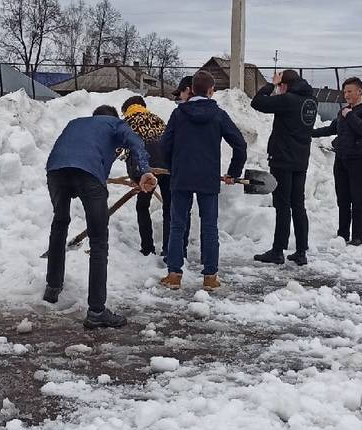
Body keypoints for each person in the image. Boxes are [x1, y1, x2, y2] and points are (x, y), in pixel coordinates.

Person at [45, 106, 157, 328]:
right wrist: (144, 170)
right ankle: (97, 311)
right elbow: (136, 143)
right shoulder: (115, 124)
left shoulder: (75, 122)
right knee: (98, 240)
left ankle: (52, 288)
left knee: (60, 223)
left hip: (56, 170)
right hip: (88, 174)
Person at [161, 71, 246, 291]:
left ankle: (173, 275)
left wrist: (172, 167)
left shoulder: (179, 114)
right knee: (209, 227)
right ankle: (210, 277)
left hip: (181, 176)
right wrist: (233, 172)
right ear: (210, 90)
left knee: (178, 225)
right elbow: (240, 144)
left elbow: (165, 145)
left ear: (190, 90)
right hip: (208, 177)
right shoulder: (218, 114)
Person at [250, 69, 316, 266]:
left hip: (282, 159)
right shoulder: (310, 101)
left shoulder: (288, 100)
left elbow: (258, 102)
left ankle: (278, 250)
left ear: (284, 85)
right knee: (298, 205)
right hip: (301, 159)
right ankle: (301, 251)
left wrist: (272, 85)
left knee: (282, 205)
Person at [312, 77, 362, 245]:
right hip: (341, 159)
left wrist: (350, 115)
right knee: (342, 198)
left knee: (357, 199)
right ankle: (342, 234)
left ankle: (357, 236)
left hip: (358, 160)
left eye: (349, 91)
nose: (346, 95)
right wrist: (308, 132)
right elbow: (330, 129)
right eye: (345, 92)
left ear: (360, 92)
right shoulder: (343, 112)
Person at [117, 96, 178, 257]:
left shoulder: (127, 122)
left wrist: (134, 176)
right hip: (168, 167)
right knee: (169, 207)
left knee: (142, 206)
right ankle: (169, 249)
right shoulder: (157, 119)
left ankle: (147, 248)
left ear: (126, 110)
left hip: (146, 170)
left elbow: (125, 150)